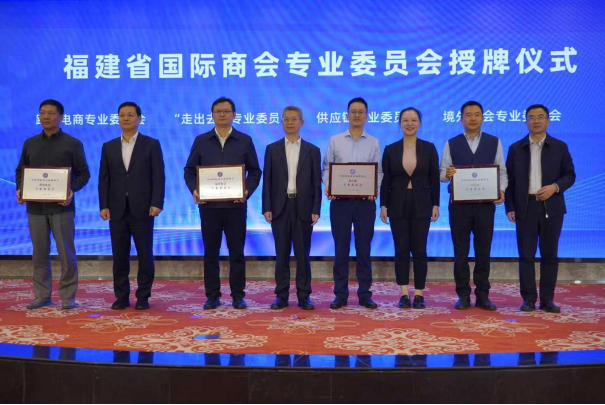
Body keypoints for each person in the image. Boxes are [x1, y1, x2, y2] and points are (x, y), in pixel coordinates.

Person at [184, 97, 262, 310]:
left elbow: (255, 171)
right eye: (218, 111)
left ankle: (238, 295)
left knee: (237, 253)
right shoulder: (201, 140)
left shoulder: (244, 140)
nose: (222, 114)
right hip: (209, 207)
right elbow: (189, 170)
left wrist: (246, 191)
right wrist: (195, 190)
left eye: (226, 111)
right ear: (212, 115)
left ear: (234, 115)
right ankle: (212, 295)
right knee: (211, 253)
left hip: (236, 206)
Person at [15, 99, 90, 310]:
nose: (46, 117)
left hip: (62, 208)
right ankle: (42, 295)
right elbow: (21, 171)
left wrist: (70, 190)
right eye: (42, 113)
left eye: (51, 113)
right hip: (35, 208)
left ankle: (68, 296)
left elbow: (84, 174)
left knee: (66, 254)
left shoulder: (73, 143)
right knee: (39, 254)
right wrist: (21, 188)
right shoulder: (30, 143)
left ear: (61, 117)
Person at [505, 104, 575, 313]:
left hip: (551, 207)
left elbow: (570, 175)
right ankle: (528, 299)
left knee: (549, 255)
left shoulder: (560, 147)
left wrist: (555, 187)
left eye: (540, 117)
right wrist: (510, 206)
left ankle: (547, 300)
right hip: (525, 207)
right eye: (532, 117)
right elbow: (509, 181)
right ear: (526, 121)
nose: (536, 121)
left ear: (548, 121)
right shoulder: (516, 148)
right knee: (526, 256)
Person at [440, 101, 507, 311]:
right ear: (461, 119)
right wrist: (447, 174)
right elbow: (442, 174)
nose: (472, 118)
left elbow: (501, 171)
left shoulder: (494, 142)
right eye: (468, 115)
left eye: (477, 114)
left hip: (485, 205)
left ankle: (483, 295)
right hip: (459, 206)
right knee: (460, 252)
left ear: (483, 118)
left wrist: (501, 189)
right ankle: (463, 295)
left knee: (483, 251)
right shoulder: (451, 143)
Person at [98, 102, 165, 311]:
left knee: (145, 255)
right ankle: (122, 297)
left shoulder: (151, 144)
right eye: (122, 115)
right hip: (116, 209)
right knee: (119, 256)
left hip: (143, 208)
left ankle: (143, 296)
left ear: (139, 119)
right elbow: (104, 179)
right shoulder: (108, 146)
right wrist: (104, 205)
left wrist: (157, 202)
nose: (125, 118)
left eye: (130, 115)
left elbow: (159, 176)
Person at [322, 97, 383, 310]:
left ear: (367, 116)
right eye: (353, 111)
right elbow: (326, 168)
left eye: (361, 112)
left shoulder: (374, 142)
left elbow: (379, 171)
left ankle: (365, 294)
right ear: (347, 115)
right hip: (340, 202)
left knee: (364, 249)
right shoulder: (335, 140)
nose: (357, 115)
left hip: (365, 203)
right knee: (341, 249)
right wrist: (330, 185)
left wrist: (374, 187)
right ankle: (340, 294)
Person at [262, 106, 322, 310]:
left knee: (303, 254)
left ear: (301, 122)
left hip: (303, 207)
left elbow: (316, 183)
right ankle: (281, 295)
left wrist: (316, 209)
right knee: (281, 254)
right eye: (286, 119)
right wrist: (266, 207)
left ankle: (304, 296)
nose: (289, 122)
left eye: (294, 119)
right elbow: (267, 181)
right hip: (280, 207)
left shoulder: (312, 150)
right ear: (281, 122)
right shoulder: (272, 149)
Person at [380, 107, 440, 309]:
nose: (409, 123)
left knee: (420, 249)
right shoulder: (391, 149)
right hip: (397, 203)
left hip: (422, 203)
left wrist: (436, 204)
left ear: (420, 123)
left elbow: (434, 179)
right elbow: (386, 179)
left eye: (414, 120)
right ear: (399, 123)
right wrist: (383, 205)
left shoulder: (429, 148)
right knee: (401, 248)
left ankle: (420, 294)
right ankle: (404, 293)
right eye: (405, 120)